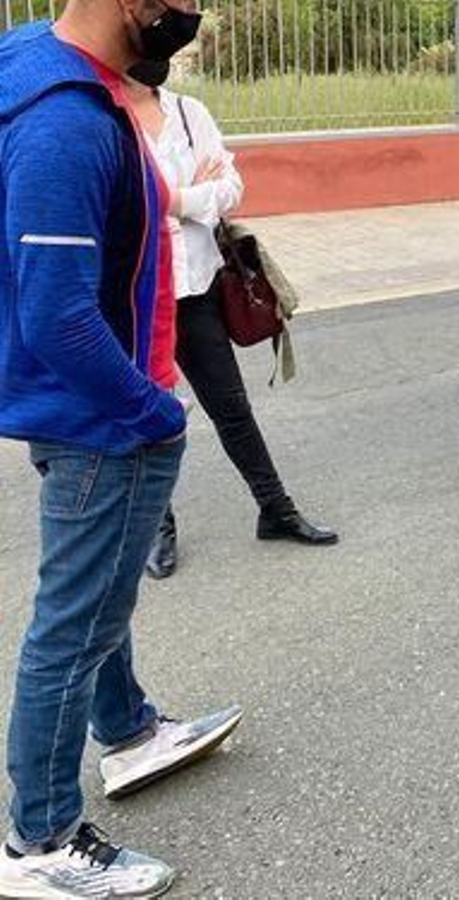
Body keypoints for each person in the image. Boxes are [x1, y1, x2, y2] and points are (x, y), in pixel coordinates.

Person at [0, 3, 244, 896]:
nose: (190, 10)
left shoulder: (42, 63)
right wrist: (153, 411)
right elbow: (57, 315)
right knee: (74, 625)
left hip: (91, 406)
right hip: (103, 417)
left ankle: (130, 731)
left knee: (99, 589)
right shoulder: (65, 117)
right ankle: (41, 839)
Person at [121, 63, 338, 580]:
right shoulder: (104, 117)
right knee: (148, 418)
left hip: (197, 289)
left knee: (232, 410)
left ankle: (275, 509)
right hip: (134, 299)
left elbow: (230, 188)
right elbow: (120, 206)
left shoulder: (189, 113)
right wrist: (191, 198)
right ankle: (158, 526)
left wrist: (174, 200)